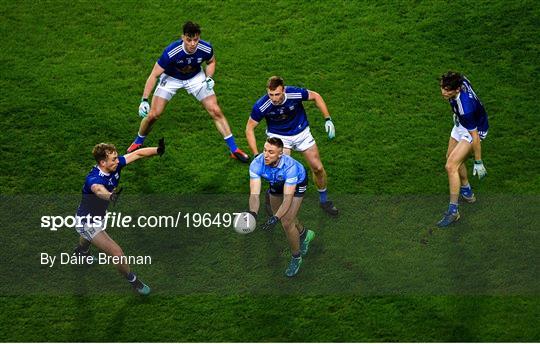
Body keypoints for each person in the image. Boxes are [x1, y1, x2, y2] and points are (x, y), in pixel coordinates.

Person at [126, 21, 249, 163]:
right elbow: (154, 75)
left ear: (199, 37)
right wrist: (144, 100)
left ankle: (234, 149)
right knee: (154, 114)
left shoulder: (206, 48)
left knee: (215, 110)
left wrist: (209, 78)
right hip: (171, 78)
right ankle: (138, 141)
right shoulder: (171, 52)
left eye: (195, 39)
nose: (192, 44)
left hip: (195, 77)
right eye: (189, 40)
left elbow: (211, 62)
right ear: (183, 37)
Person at [73, 139, 165, 295]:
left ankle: (81, 252)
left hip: (97, 216)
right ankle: (133, 281)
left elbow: (138, 153)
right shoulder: (94, 179)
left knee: (88, 236)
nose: (118, 160)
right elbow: (98, 190)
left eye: (116, 157)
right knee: (117, 253)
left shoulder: (115, 165)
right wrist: (110, 196)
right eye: (113, 159)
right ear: (102, 162)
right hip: (87, 222)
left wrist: (158, 150)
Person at [246, 76, 338, 216]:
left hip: (302, 133)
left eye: (277, 94)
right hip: (279, 137)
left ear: (283, 90)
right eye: (271, 95)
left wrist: (327, 119)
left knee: (318, 168)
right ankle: (271, 196)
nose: (274, 98)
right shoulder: (262, 105)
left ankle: (324, 201)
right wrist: (255, 154)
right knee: (281, 175)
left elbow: (316, 96)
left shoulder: (294, 93)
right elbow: (249, 128)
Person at [248, 137, 315, 277]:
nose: (266, 155)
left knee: (286, 222)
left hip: (296, 184)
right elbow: (254, 195)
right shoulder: (256, 163)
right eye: (265, 150)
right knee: (281, 214)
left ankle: (296, 257)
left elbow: (288, 198)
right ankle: (305, 234)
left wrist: (275, 218)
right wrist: (253, 214)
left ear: (280, 154)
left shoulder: (290, 167)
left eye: (271, 152)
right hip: (276, 181)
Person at [437, 71, 489, 227]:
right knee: (450, 157)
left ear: (457, 89)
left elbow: (475, 137)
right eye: (442, 88)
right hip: (461, 123)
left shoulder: (465, 107)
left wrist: (478, 161)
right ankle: (467, 191)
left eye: (447, 90)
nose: (443, 92)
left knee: (451, 165)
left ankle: (453, 211)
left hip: (473, 130)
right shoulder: (461, 81)